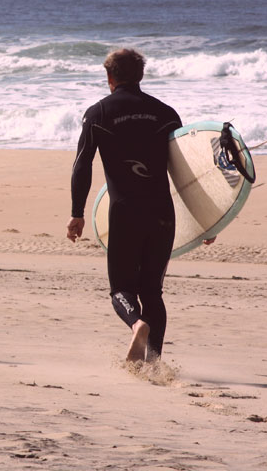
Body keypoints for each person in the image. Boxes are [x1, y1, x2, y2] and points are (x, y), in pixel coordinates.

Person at [66, 48, 187, 363]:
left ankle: (137, 324)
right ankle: (155, 364)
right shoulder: (166, 114)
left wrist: (77, 214)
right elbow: (188, 172)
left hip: (124, 212)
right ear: (141, 75)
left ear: (109, 77)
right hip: (162, 213)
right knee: (152, 292)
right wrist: (206, 218)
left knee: (121, 289)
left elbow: (82, 166)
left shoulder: (99, 114)